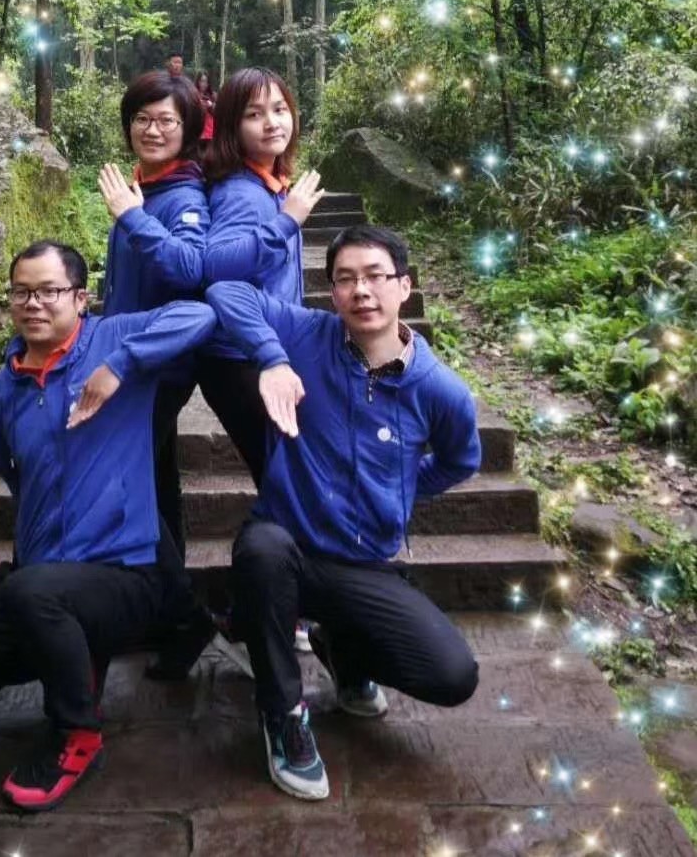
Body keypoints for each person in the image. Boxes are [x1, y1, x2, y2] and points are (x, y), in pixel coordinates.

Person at [0, 240, 216, 812]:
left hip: (125, 574)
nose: (34, 303)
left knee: (37, 594)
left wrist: (119, 366)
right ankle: (67, 651)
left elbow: (200, 315)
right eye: (22, 292)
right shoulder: (5, 390)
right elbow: (15, 477)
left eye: (49, 291)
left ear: (80, 298)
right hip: (45, 576)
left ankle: (76, 733)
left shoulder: (113, 339)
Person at [207, 224, 481, 801]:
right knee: (261, 549)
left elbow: (461, 460)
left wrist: (401, 488)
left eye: (376, 276)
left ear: (404, 286)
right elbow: (225, 292)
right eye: (345, 279)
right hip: (288, 548)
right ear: (331, 292)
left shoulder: (440, 390)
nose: (361, 290)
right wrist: (272, 359)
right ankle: (283, 713)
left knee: (453, 675)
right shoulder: (309, 335)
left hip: (362, 565)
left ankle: (342, 649)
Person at [97, 70, 208, 555]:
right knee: (157, 474)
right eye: (141, 119)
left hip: (160, 362)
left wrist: (131, 215)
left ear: (187, 130)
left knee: (127, 473)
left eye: (166, 121)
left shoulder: (184, 196)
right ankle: (167, 582)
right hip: (134, 356)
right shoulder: (144, 187)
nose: (152, 130)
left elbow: (188, 268)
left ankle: (158, 583)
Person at [199, 67, 325, 489]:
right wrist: (286, 221)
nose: (272, 122)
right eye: (254, 114)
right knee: (288, 482)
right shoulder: (242, 193)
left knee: (285, 478)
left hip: (255, 349)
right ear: (231, 127)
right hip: (242, 358)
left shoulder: (267, 183)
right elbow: (216, 267)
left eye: (279, 109)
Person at [193, 69, 217, 146]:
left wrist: (211, 105)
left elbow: (218, 113)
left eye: (206, 81)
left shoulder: (213, 95)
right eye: (202, 81)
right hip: (197, 132)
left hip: (211, 132)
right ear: (198, 81)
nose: (204, 84)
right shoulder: (192, 95)